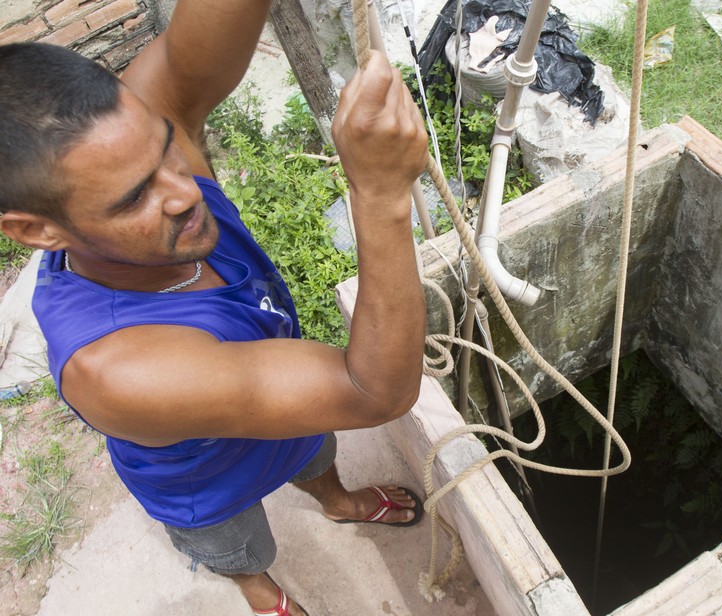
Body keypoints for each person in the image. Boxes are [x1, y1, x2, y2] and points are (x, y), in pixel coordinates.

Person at [0, 0, 429, 613]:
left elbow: (187, 50)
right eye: (133, 199)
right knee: (241, 548)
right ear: (39, 231)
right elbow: (371, 391)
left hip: (278, 410)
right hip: (206, 481)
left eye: (168, 146)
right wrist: (382, 194)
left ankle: (338, 502)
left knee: (314, 450)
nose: (184, 193)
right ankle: (263, 595)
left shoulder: (121, 150)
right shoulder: (118, 369)